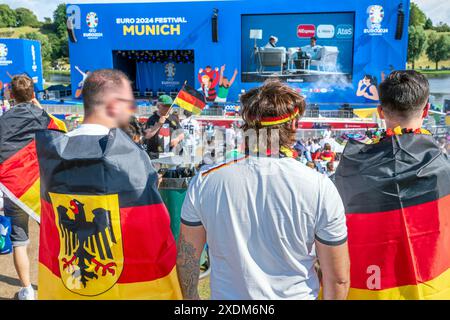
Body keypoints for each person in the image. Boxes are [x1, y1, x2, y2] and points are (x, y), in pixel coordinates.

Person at [177, 79, 350, 300]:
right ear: (294, 126)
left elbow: (187, 259)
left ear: (245, 125)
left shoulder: (206, 180)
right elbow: (338, 279)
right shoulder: (319, 186)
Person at [336, 70, 450, 299]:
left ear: (380, 111)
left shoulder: (350, 166)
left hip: (366, 289)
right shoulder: (444, 166)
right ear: (427, 110)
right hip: (431, 288)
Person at [1, 75, 43, 300]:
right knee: (54, 235)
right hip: (40, 187)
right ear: (33, 94)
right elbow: (62, 135)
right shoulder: (43, 117)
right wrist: (41, 109)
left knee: (19, 241)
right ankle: (66, 278)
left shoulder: (4, 120)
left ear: (11, 95)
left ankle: (27, 291)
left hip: (14, 190)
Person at [144, 95, 184, 159]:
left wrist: (177, 139)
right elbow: (147, 135)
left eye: (169, 106)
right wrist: (158, 124)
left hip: (171, 155)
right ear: (158, 106)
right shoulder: (152, 119)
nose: (168, 108)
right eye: (165, 106)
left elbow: (182, 133)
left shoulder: (173, 118)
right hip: (155, 156)